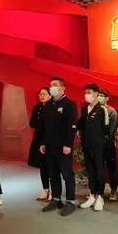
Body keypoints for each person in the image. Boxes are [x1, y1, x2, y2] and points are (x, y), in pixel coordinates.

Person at [41, 77, 78, 216]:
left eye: (55, 85)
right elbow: (45, 126)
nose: (52, 87)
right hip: (51, 146)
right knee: (53, 174)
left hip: (64, 147)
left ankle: (70, 201)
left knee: (67, 174)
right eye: (51, 85)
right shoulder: (48, 105)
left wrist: (68, 144)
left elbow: (72, 126)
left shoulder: (69, 104)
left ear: (63, 88)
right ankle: (56, 200)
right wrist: (44, 142)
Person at [78, 83, 108, 212]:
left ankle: (100, 197)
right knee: (90, 171)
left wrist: (101, 143)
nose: (87, 95)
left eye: (89, 92)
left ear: (96, 94)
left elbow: (106, 130)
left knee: (99, 171)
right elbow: (80, 124)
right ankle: (92, 195)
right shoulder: (84, 109)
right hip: (86, 146)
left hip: (98, 147)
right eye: (86, 93)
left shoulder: (102, 110)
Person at [28, 87, 52, 201]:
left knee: (51, 165)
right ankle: (45, 189)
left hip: (50, 139)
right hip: (39, 138)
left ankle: (53, 190)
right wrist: (42, 124)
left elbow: (51, 125)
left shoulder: (53, 107)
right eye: (40, 94)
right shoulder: (37, 107)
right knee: (42, 165)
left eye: (44, 94)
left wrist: (42, 124)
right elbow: (32, 123)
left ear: (50, 96)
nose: (42, 96)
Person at [99, 90, 118, 201]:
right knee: (98, 168)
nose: (99, 97)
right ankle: (98, 192)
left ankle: (113, 190)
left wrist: (104, 140)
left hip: (108, 145)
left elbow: (111, 131)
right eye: (98, 95)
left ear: (107, 98)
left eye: (102, 96)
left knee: (112, 168)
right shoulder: (93, 109)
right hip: (96, 145)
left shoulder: (112, 112)